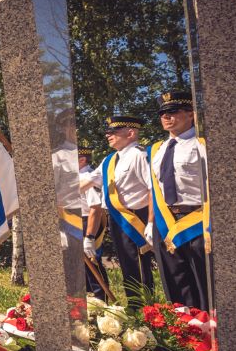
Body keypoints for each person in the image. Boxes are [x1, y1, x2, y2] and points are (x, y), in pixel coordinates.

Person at [148, 90, 209, 312]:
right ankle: (184, 330)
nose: (166, 116)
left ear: (190, 114)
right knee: (174, 281)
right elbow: (154, 189)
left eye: (173, 111)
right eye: (162, 112)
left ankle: (210, 330)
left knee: (203, 282)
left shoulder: (201, 144)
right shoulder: (157, 149)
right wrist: (150, 222)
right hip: (166, 221)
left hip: (196, 220)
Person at [100, 114, 155, 309]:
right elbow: (90, 180)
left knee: (139, 266)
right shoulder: (110, 160)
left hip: (135, 218)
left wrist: (150, 222)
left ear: (131, 133)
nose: (108, 135)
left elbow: (152, 189)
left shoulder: (139, 154)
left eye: (113, 131)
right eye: (108, 132)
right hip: (117, 219)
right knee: (126, 265)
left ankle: (146, 311)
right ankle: (134, 307)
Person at [77, 145, 110, 301]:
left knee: (92, 264)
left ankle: (101, 301)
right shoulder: (76, 177)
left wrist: (90, 237)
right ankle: (87, 302)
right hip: (75, 222)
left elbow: (95, 209)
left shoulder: (88, 177)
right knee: (81, 267)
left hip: (88, 223)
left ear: (82, 159)